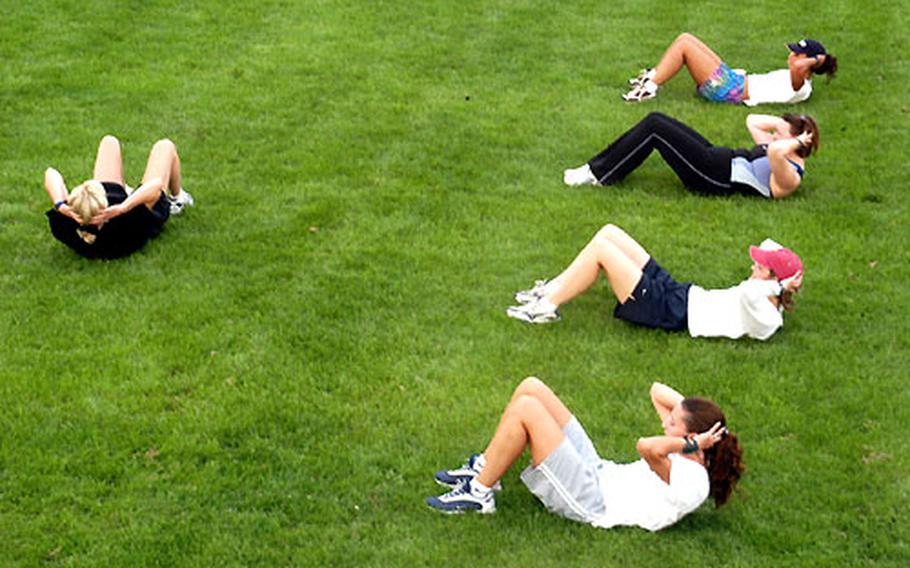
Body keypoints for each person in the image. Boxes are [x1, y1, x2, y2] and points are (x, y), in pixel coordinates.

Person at [427, 377, 743, 531]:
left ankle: (479, 494)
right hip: (599, 472)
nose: (666, 422)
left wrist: (691, 441)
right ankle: (486, 469)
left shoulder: (692, 480)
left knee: (528, 410)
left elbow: (646, 447)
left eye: (672, 423)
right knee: (532, 388)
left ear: (689, 437)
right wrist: (700, 425)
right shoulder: (684, 445)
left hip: (594, 502)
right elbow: (657, 390)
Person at [506, 224, 803, 341]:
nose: (753, 265)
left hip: (671, 311)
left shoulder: (768, 318)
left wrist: (778, 287)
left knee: (602, 253)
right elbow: (755, 288)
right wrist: (778, 281)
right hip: (680, 293)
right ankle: (548, 291)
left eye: (761, 266)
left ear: (774, 281)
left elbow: (751, 297)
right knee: (609, 234)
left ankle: (545, 307)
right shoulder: (763, 287)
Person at [563, 111, 818, 199]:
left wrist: (794, 139)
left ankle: (597, 174)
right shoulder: (781, 151)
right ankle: (598, 168)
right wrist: (785, 125)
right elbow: (753, 121)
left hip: (711, 176)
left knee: (655, 129)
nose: (773, 135)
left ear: (795, 143)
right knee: (657, 119)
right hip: (715, 157)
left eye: (779, 133)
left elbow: (774, 150)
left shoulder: (791, 176)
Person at [44, 135, 194, 259]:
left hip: (114, 210)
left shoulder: (66, 225)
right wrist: (123, 207)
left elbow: (50, 173)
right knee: (165, 147)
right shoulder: (126, 223)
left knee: (109, 142)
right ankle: (177, 199)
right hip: (145, 209)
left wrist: (60, 205)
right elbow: (155, 186)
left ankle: (126, 192)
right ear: (105, 202)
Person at [623, 33, 837, 104]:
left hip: (728, 90)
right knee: (686, 38)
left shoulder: (802, 87)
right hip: (733, 80)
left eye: (796, 53)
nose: (791, 56)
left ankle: (649, 87)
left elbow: (800, 66)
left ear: (806, 62)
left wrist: (818, 60)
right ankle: (652, 77)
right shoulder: (798, 78)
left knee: (684, 46)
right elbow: (799, 65)